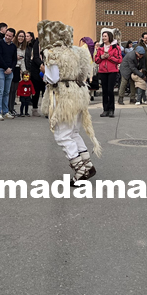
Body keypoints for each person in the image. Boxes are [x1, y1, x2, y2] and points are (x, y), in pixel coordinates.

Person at [38, 20, 101, 181]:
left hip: (64, 96)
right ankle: (87, 164)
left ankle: (80, 169)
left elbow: (53, 79)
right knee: (73, 133)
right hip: (78, 93)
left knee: (63, 135)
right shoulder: (76, 51)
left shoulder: (52, 53)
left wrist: (44, 71)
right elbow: (84, 72)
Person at [95, 30, 123, 116]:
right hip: (102, 71)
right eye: (103, 36)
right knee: (104, 91)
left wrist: (109, 57)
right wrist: (101, 57)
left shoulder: (116, 47)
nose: (103, 38)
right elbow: (96, 60)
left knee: (110, 90)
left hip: (112, 71)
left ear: (109, 37)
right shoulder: (100, 48)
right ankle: (105, 109)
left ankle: (111, 109)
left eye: (105, 36)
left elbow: (119, 60)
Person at [0, 27, 17, 120]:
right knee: (0, 91)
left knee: (7, 92)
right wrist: (6, 68)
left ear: (13, 37)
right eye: (6, 35)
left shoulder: (13, 46)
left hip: (10, 71)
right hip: (0, 69)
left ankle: (6, 111)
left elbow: (14, 59)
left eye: (9, 36)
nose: (7, 37)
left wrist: (11, 69)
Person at [10, 30, 29, 115]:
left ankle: (12, 108)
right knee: (10, 90)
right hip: (12, 68)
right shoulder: (12, 45)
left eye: (22, 36)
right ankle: (8, 108)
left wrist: (24, 71)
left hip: (18, 69)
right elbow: (9, 57)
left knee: (14, 90)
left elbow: (23, 61)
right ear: (16, 37)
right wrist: (15, 57)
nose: (21, 38)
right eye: (20, 36)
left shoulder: (23, 47)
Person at [25, 31, 44, 116]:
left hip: (46, 69)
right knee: (36, 90)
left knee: (45, 90)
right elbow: (36, 57)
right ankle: (35, 109)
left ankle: (46, 109)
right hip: (36, 70)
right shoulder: (37, 43)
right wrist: (42, 65)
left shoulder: (49, 44)